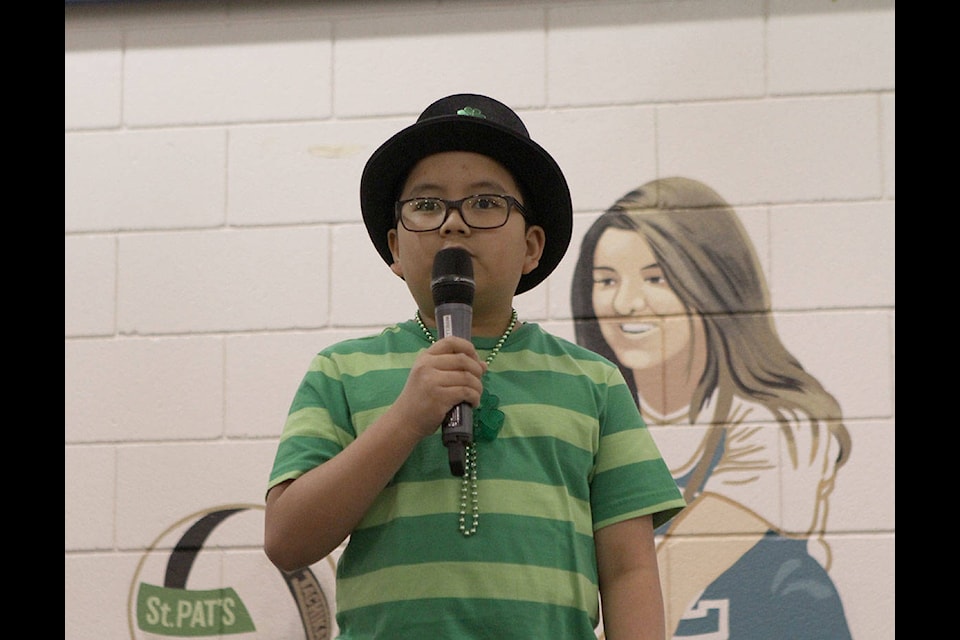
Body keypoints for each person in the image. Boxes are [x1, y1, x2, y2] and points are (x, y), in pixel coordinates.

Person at [264, 94, 686, 640]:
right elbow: (286, 539)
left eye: (486, 204)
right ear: (394, 247)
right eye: (426, 205)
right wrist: (406, 419)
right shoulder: (342, 372)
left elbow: (628, 570)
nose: (453, 225)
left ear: (532, 245)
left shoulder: (593, 382)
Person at [570, 177, 853, 639]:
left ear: (710, 281)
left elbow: (670, 579)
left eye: (655, 278)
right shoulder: (591, 407)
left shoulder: (782, 426)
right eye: (606, 280)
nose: (625, 303)